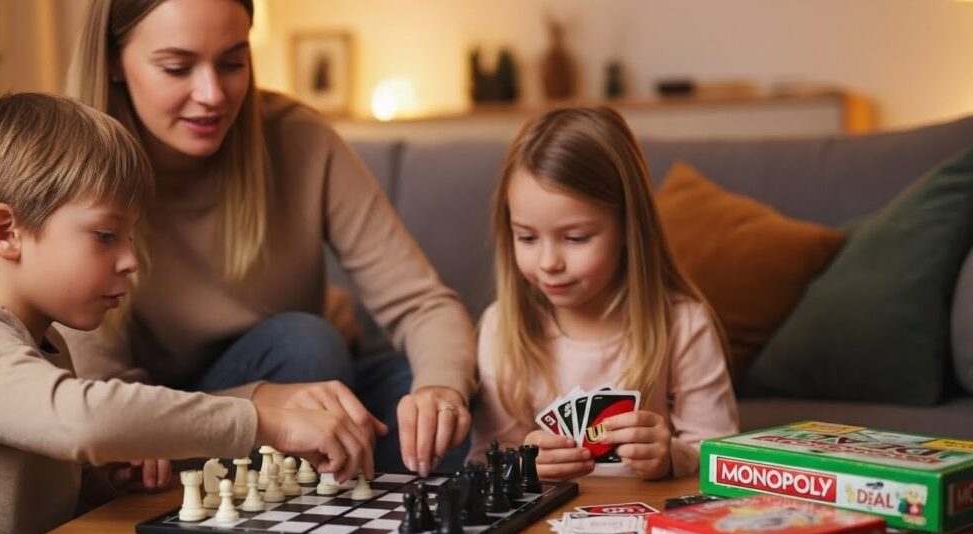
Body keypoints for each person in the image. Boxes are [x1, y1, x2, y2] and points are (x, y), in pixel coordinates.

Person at [0, 93, 373, 534]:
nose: (130, 260)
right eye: (106, 235)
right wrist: (268, 422)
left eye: (130, 238)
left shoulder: (44, 342)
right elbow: (84, 419)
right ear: (6, 232)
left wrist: (103, 482)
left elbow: (26, 501)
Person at [64, 0, 476, 479]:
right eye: (177, 67)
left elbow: (422, 304)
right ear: (114, 60)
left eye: (233, 62)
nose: (212, 94)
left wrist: (441, 393)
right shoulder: (70, 173)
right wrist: (261, 404)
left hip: (313, 390)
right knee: (306, 346)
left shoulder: (299, 138)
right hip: (169, 416)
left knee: (461, 419)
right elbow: (97, 394)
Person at [469, 106, 738, 480]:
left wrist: (673, 455)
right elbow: (485, 462)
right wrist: (524, 464)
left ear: (628, 228)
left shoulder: (683, 323)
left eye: (575, 238)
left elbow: (723, 458)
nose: (549, 262)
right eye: (527, 237)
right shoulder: (502, 328)